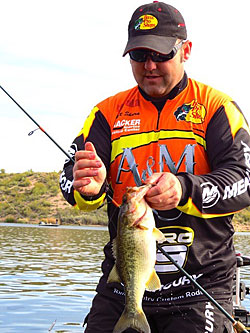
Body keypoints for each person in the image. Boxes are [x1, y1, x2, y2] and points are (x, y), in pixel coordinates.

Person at [60, 2, 250, 332]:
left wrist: (185, 188)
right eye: (139, 55)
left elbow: (245, 179)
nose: (149, 65)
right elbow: (68, 176)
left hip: (199, 288)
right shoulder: (106, 114)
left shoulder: (216, 108)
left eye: (161, 54)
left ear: (185, 50)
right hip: (122, 288)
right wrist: (87, 188)